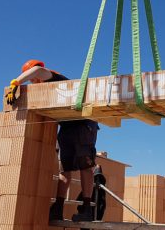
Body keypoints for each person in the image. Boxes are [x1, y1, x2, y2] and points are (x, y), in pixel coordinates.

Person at [5, 59, 99, 222]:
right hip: (66, 127)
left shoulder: (54, 77)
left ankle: (86, 208)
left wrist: (16, 83)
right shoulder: (44, 92)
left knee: (86, 165)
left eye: (33, 80)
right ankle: (58, 207)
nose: (33, 83)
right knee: (65, 170)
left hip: (83, 124)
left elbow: (38, 71)